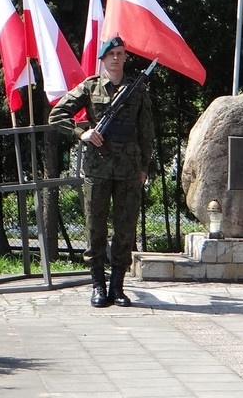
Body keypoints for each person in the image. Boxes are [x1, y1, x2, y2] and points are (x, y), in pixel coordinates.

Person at [49, 36, 154, 308]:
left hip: (129, 169)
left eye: (121, 53)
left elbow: (146, 132)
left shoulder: (137, 90)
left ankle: (117, 287)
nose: (117, 58)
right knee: (94, 227)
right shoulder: (90, 86)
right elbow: (57, 115)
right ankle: (97, 285)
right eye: (112, 54)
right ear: (103, 59)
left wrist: (144, 168)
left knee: (124, 228)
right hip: (98, 168)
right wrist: (81, 133)